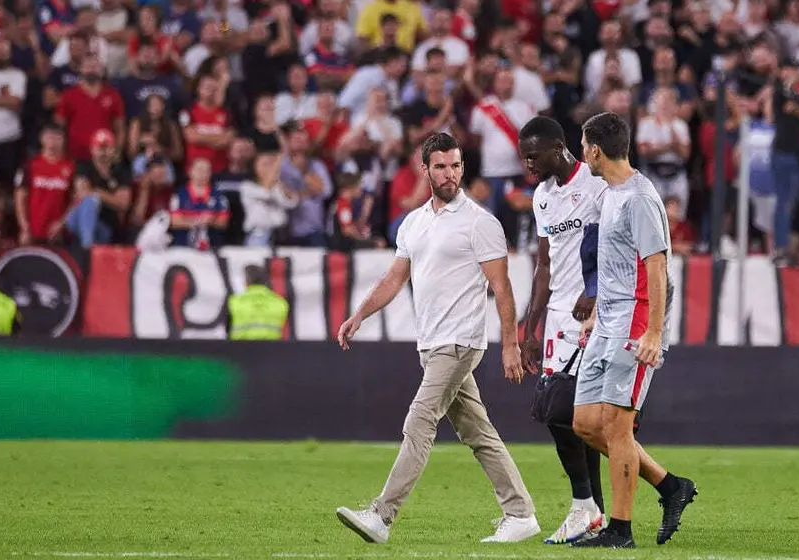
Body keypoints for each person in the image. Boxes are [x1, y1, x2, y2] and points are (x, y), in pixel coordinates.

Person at [334, 132, 539, 545]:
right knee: (479, 434)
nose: (451, 173)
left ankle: (382, 515)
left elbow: (501, 288)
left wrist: (511, 344)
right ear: (424, 169)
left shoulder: (481, 223)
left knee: (419, 420)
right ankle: (520, 513)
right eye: (442, 166)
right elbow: (396, 276)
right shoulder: (414, 222)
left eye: (457, 165)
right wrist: (359, 314)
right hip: (431, 342)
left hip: (460, 341)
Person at [570, 112, 697, 549]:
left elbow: (657, 269)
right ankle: (669, 486)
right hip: (606, 321)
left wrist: (654, 333)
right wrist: (594, 315)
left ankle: (619, 530)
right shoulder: (611, 195)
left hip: (635, 322)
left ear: (595, 150)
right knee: (586, 423)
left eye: (583, 145)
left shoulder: (641, 198)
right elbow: (616, 266)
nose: (582, 152)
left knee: (617, 426)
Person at [517, 115, 607, 544]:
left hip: (591, 318)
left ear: (558, 148)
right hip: (555, 320)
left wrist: (593, 289)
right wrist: (530, 326)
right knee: (573, 420)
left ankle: (583, 504)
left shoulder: (595, 184)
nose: (528, 166)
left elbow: (613, 245)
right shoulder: (542, 197)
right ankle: (596, 511)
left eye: (533, 156)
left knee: (563, 414)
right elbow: (544, 264)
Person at [227, 265, 289, 340]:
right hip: (271, 350)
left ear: (247, 281)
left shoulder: (234, 302)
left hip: (240, 349)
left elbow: (228, 330)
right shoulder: (280, 303)